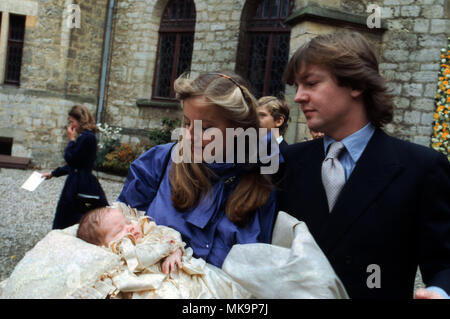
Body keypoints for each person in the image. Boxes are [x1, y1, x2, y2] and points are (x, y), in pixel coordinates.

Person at [279, 30, 450, 299]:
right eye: (296, 86)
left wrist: (440, 292)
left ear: (356, 84)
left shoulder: (421, 167)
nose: (298, 96)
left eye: (311, 83)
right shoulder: (286, 161)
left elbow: (443, 261)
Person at [117, 72, 278, 268]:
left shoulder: (260, 185)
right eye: (187, 123)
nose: (190, 135)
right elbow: (116, 234)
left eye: (206, 128)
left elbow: (258, 273)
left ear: (239, 129)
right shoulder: (158, 163)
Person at [76, 204, 251, 299]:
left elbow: (170, 234)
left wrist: (176, 251)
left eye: (128, 222)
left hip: (183, 273)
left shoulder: (148, 230)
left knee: (214, 288)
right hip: (153, 288)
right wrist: (165, 247)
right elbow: (141, 258)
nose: (130, 229)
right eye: (119, 230)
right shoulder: (121, 253)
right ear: (105, 245)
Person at [42, 105, 108, 229]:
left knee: (72, 217)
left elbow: (71, 159)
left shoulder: (86, 138)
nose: (71, 126)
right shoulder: (87, 137)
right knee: (72, 216)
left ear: (80, 121)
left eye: (72, 122)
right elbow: (75, 164)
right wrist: (53, 173)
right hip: (79, 180)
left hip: (80, 183)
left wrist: (71, 140)